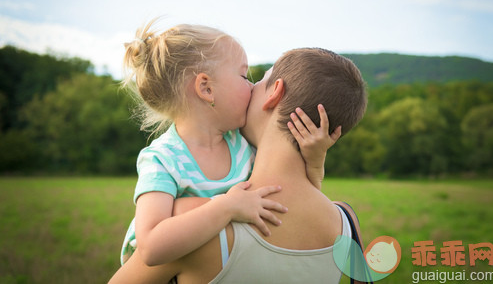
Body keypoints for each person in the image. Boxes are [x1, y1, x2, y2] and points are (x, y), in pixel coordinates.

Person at [109, 47, 368, 283]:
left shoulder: (192, 219)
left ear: (275, 93)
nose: (249, 88)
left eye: (257, 81)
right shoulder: (344, 223)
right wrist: (314, 164)